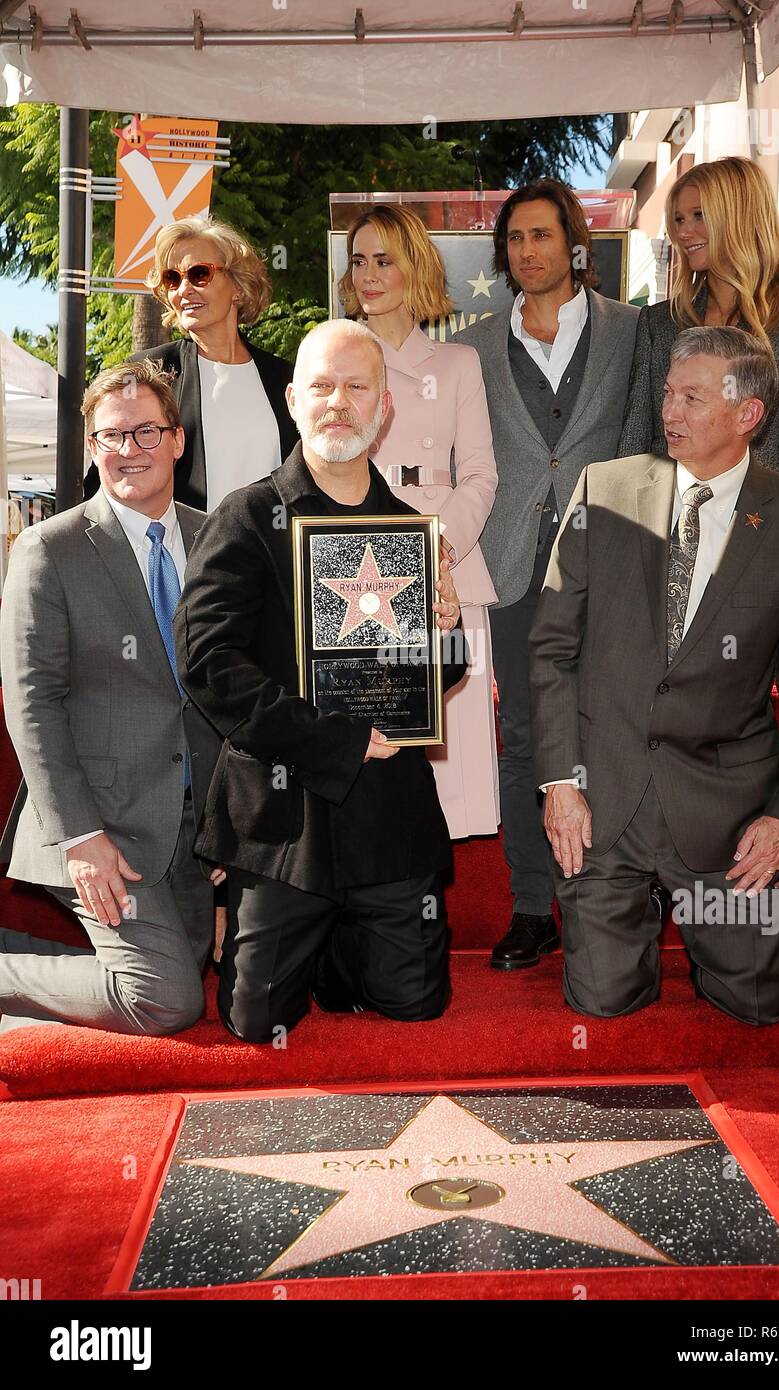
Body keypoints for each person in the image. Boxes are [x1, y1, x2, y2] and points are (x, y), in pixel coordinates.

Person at [530, 326, 779, 1027]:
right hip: (605, 801)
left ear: (747, 414)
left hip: (726, 814)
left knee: (756, 1006)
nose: (670, 412)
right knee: (605, 1003)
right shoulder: (603, 489)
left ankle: (720, 945)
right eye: (668, 394)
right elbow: (551, 649)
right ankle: (627, 936)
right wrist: (560, 784)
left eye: (692, 398)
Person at [175, 319, 466, 1043]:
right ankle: (307, 942)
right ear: (294, 401)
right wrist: (332, 739)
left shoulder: (411, 529)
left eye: (357, 386)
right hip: (283, 816)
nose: (339, 402)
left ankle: (339, 954)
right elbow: (209, 662)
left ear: (384, 407)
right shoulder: (246, 517)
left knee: (415, 1006)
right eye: (322, 387)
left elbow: (435, 679)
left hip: (386, 816)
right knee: (256, 1021)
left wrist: (446, 627)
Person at [0, 359, 223, 1036]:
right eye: (111, 437)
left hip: (193, 825)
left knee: (205, 972)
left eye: (146, 432)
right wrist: (80, 836)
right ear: (92, 448)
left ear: (178, 440)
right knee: (164, 1000)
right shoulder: (49, 548)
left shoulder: (218, 537)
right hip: (101, 824)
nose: (129, 451)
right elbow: (31, 703)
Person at [459, 179, 639, 970]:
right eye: (516, 239)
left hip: (611, 557)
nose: (529, 251)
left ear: (575, 246)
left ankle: (604, 900)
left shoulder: (634, 332)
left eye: (543, 236)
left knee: (612, 728)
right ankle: (533, 908)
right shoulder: (471, 345)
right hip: (514, 562)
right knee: (526, 734)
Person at [339, 204, 499, 839]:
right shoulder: (337, 353)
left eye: (384, 261)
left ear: (414, 267)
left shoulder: (459, 362)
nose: (369, 276)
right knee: (372, 747)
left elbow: (481, 473)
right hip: (358, 565)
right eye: (358, 262)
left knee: (449, 768)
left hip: (449, 571)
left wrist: (436, 549)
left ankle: (425, 924)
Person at [618, 156, 779, 499]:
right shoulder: (658, 321)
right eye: (679, 219)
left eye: (699, 216)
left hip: (759, 523)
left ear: (739, 216)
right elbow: (635, 436)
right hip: (666, 516)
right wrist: (619, 522)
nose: (685, 232)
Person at [83, 216, 298, 510]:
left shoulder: (284, 378)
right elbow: (105, 477)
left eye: (199, 274)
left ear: (238, 286)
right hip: (178, 552)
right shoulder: (149, 372)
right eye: (173, 278)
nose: (183, 289)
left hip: (269, 552)